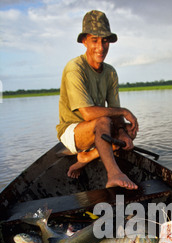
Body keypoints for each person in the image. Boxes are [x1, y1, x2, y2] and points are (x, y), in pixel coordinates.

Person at [56, 10, 139, 189]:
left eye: (105, 41)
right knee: (103, 120)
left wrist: (123, 132)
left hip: (98, 130)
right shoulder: (75, 68)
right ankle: (114, 174)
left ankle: (87, 156)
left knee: (126, 132)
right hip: (73, 131)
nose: (100, 47)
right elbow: (87, 114)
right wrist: (125, 111)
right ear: (85, 41)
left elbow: (114, 111)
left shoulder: (110, 72)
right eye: (94, 40)